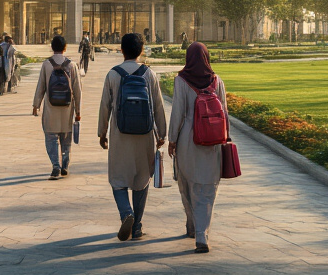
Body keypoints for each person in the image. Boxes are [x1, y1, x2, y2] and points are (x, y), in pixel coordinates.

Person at [98, 33, 167, 241]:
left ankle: (126, 213)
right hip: (145, 134)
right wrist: (162, 134)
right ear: (141, 50)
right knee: (141, 180)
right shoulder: (149, 74)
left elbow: (105, 106)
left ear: (121, 50)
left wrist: (102, 133)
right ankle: (136, 227)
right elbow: (158, 105)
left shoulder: (113, 74)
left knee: (118, 179)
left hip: (120, 134)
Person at [168, 41, 228, 253]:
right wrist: (225, 139)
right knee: (208, 188)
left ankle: (193, 225)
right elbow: (224, 113)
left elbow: (177, 113)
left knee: (187, 183)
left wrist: (172, 139)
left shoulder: (181, 81)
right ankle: (202, 233)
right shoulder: (217, 80)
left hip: (188, 140)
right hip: (213, 141)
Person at [32, 35, 83, 180]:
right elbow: (77, 90)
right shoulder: (72, 65)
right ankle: (65, 165)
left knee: (51, 138)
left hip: (50, 108)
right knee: (66, 140)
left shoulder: (47, 64)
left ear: (52, 47)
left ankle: (55, 165)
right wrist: (78, 111)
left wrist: (36, 105)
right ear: (65, 48)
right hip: (67, 109)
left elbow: (41, 86)